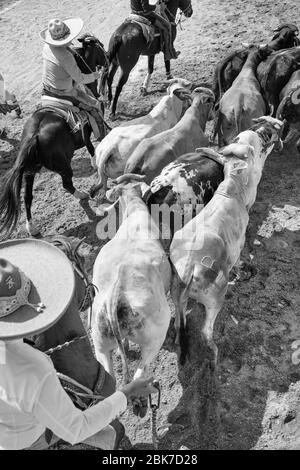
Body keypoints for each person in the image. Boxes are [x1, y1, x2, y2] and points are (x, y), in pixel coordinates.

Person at [0, 239, 158, 450]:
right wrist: (127, 393)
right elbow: (76, 429)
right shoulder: (33, 369)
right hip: (25, 441)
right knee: (111, 434)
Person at [39, 17, 104, 133]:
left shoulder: (46, 47)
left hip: (46, 87)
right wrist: (94, 76)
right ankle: (101, 134)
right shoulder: (66, 56)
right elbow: (80, 78)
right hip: (64, 91)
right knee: (95, 105)